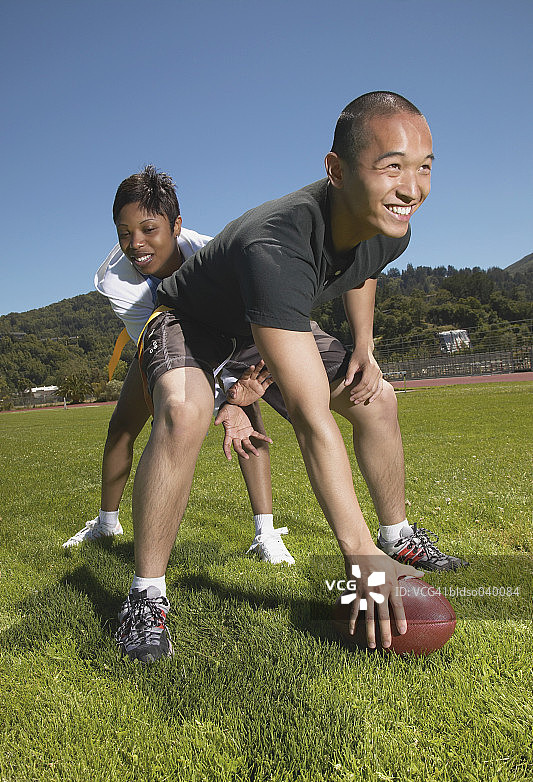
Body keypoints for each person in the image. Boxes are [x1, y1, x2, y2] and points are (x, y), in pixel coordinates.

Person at [116, 92, 468, 663]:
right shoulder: (274, 244)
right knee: (185, 411)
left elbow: (363, 267)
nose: (412, 187)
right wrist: (355, 556)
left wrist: (363, 344)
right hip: (192, 321)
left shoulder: (392, 224)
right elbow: (310, 420)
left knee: (375, 398)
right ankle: (146, 596)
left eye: (424, 166)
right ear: (335, 170)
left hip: (263, 322)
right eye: (392, 167)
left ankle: (397, 537)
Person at [63, 166, 295, 565]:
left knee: (249, 415)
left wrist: (235, 400)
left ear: (176, 226)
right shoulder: (116, 281)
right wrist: (226, 400)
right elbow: (164, 351)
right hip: (160, 336)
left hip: (226, 337)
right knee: (122, 426)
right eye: (124, 233)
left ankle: (264, 532)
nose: (135, 244)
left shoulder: (214, 253)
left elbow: (242, 326)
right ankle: (106, 522)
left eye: (149, 229)